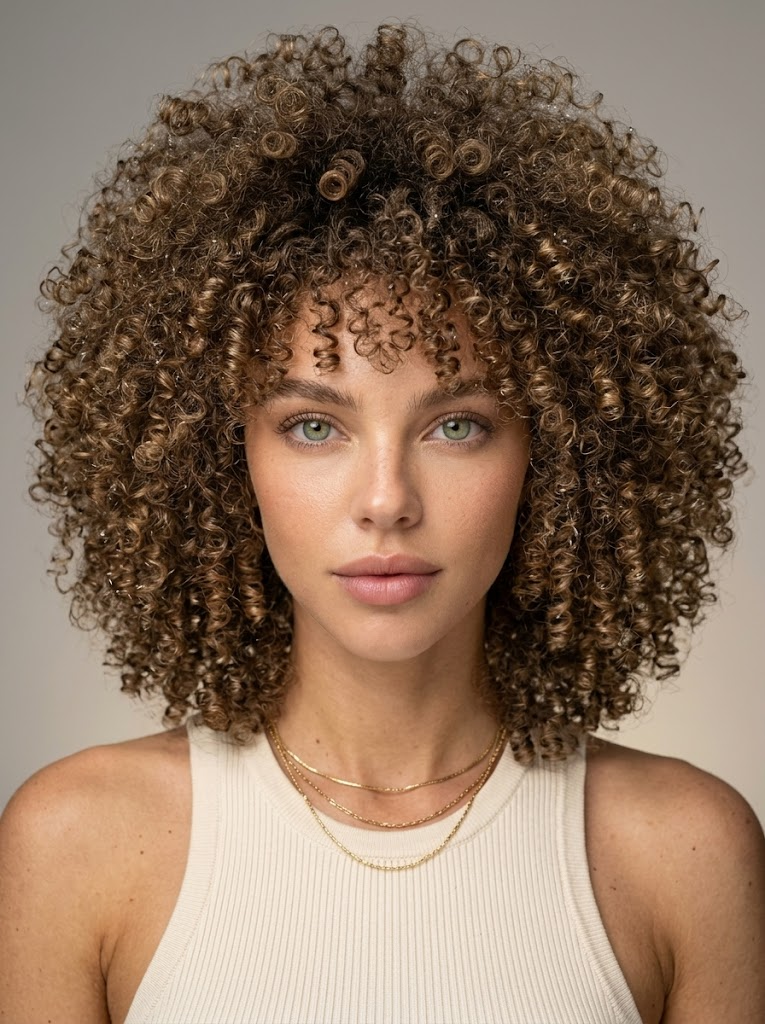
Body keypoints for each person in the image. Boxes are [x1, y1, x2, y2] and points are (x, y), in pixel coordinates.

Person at [1, 22, 763, 1024]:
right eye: (315, 424)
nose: (386, 498)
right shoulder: (76, 843)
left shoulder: (684, 852)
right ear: (222, 455)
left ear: (561, 455)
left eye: (457, 425)